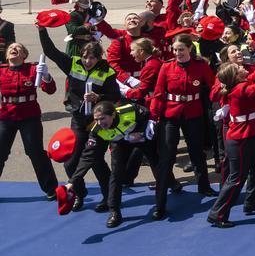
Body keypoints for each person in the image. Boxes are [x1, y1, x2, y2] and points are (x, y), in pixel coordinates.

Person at [39, 26, 119, 210]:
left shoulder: (108, 71)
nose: (87, 61)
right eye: (84, 57)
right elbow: (51, 51)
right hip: (78, 119)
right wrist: (42, 30)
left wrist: (99, 98)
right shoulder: (73, 63)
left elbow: (115, 97)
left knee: (96, 160)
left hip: (98, 122)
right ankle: (79, 194)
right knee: (70, 162)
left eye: (92, 57)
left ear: (99, 57)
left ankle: (108, 197)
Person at [69, 100, 165, 227]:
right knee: (116, 174)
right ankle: (114, 211)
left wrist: (148, 127)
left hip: (141, 139)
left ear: (113, 115)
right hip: (120, 144)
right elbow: (88, 156)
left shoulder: (130, 110)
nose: (99, 123)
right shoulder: (97, 130)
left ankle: (161, 206)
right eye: (96, 119)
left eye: (102, 118)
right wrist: (73, 181)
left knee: (158, 167)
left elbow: (147, 113)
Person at [207, 57, 255, 228]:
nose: (243, 68)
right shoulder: (241, 88)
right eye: (239, 68)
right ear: (236, 76)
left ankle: (253, 203)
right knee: (236, 178)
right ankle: (217, 213)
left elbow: (254, 77)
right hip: (240, 138)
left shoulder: (238, 84)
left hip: (249, 134)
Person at [150, 33, 217, 197]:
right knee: (168, 152)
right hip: (170, 113)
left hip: (193, 112)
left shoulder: (200, 66)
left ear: (189, 48)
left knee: (196, 151)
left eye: (181, 49)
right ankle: (164, 185)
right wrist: (153, 117)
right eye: (175, 50)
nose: (177, 53)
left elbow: (213, 85)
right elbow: (158, 93)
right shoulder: (167, 66)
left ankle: (204, 186)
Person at [0, 43, 58, 197]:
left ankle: (51, 189)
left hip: (29, 116)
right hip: (6, 116)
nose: (14, 49)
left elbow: (51, 90)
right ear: (6, 55)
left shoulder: (33, 69)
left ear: (24, 55)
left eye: (19, 48)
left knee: (35, 152)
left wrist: (46, 76)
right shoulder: (1, 71)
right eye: (11, 48)